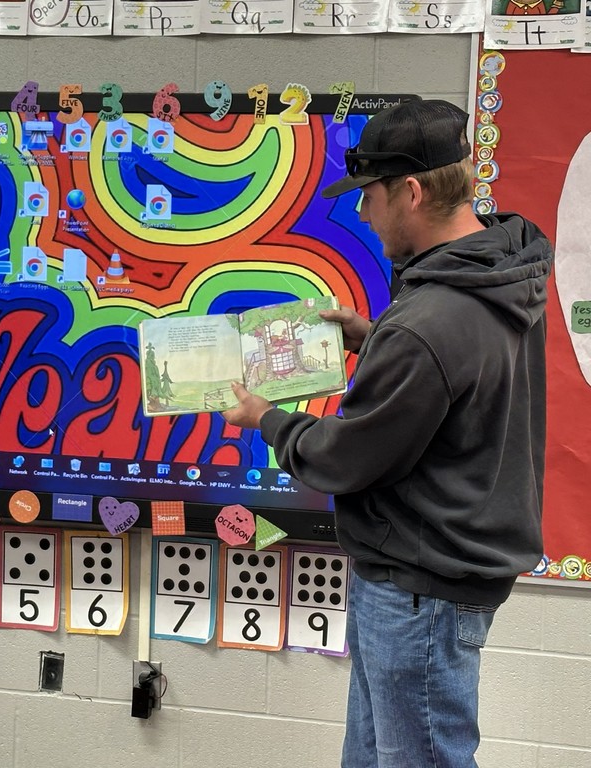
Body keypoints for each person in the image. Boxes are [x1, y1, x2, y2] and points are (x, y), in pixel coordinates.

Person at [222, 99, 551, 768]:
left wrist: (266, 419)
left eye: (369, 197)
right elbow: (458, 385)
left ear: (411, 191)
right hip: (438, 573)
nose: (363, 215)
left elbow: (347, 459)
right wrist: (374, 341)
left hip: (420, 589)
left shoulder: (427, 323)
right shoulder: (500, 275)